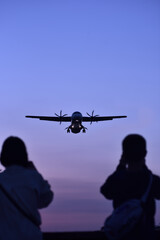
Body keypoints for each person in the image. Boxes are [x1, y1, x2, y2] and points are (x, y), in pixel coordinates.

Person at [100, 134, 160, 240]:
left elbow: (105, 191)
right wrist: (145, 168)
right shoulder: (152, 180)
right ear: (145, 154)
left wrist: (121, 167)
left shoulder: (118, 179)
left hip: (123, 235)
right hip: (146, 235)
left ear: (124, 155)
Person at [0, 136, 53, 240]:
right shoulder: (33, 177)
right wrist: (34, 171)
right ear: (24, 155)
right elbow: (47, 199)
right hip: (31, 235)